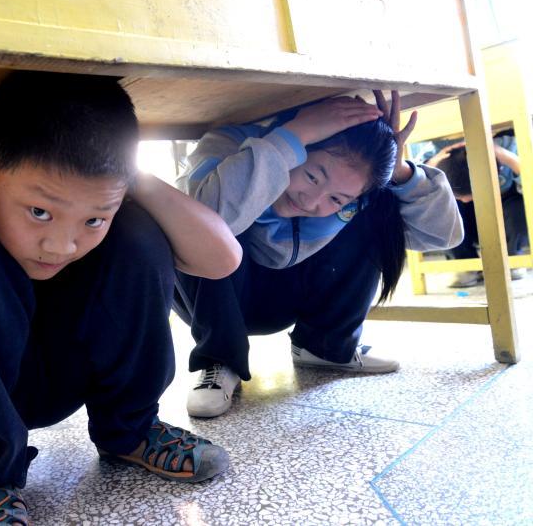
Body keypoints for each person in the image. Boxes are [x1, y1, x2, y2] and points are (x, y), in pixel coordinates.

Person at [0, 71, 242, 524]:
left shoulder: (95, 199)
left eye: (91, 220)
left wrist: (124, 181)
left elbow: (222, 259)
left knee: (139, 234)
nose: (62, 245)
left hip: (75, 372)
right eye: (39, 212)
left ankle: (129, 432)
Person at [173, 91, 463, 418]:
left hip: (289, 299)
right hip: (215, 300)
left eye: (336, 199)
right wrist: (291, 137)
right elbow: (199, 224)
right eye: (312, 176)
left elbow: (443, 235)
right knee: (211, 217)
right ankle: (219, 360)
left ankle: (324, 346)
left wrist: (401, 175)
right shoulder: (225, 143)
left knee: (377, 209)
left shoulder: (356, 187)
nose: (312, 203)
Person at [430, 134, 528, 287]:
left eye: (470, 196)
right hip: (464, 216)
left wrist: (506, 157)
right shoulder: (434, 151)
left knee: (521, 205)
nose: (468, 199)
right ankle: (465, 263)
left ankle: (512, 257)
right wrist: (432, 165)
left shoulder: (511, 145)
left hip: (503, 204)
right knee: (438, 208)